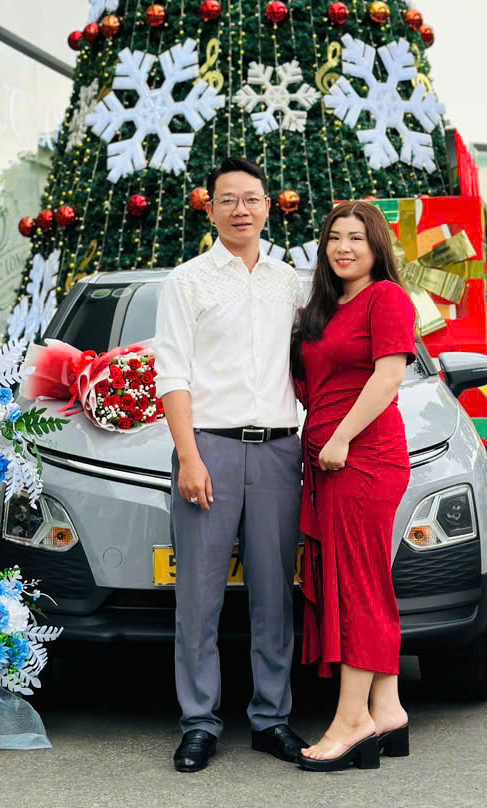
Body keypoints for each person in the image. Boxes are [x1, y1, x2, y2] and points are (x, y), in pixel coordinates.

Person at [154, 157, 306, 774]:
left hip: (279, 451)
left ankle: (271, 718)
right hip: (209, 448)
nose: (240, 209)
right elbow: (172, 373)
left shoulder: (290, 282)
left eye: (251, 198)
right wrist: (189, 457)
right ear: (210, 209)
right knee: (198, 598)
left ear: (268, 206)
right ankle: (199, 722)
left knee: (275, 594)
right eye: (228, 199)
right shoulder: (186, 281)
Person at [291, 200, 415, 773]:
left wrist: (339, 437)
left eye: (356, 238)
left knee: (358, 588)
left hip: (363, 457)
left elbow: (388, 377)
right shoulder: (323, 309)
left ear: (376, 246)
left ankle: (350, 721)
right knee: (360, 583)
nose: (343, 247)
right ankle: (387, 710)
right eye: (335, 237)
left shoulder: (385, 298)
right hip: (326, 463)